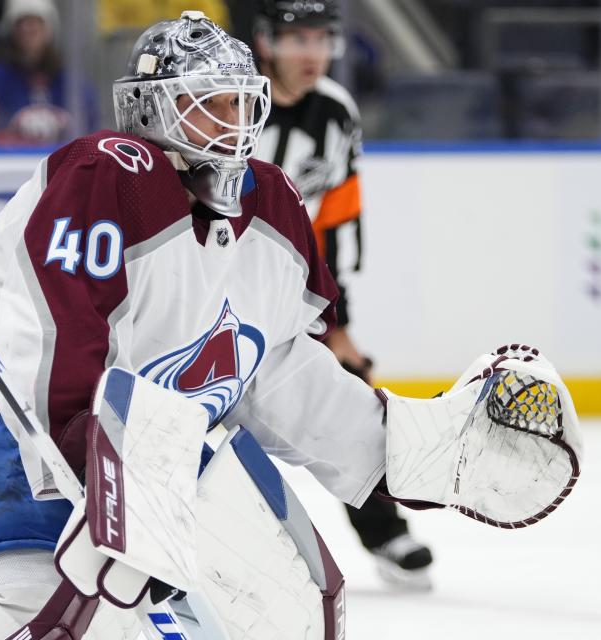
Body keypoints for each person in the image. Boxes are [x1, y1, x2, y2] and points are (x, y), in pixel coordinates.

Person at [0, 11, 583, 640]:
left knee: (276, 613)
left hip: (133, 452)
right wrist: (102, 469)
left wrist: (409, 453)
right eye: (206, 105)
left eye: (240, 103)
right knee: (40, 611)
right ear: (149, 111)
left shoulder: (270, 209)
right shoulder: (107, 173)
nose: (232, 123)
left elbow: (275, 372)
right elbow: (53, 335)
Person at [249, 0, 435, 589]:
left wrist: (338, 323)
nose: (311, 53)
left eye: (321, 39)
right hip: (207, 287)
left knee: (349, 398)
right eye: (296, 38)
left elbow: (334, 221)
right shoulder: (228, 102)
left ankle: (385, 531)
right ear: (265, 42)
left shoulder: (335, 111)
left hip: (289, 295)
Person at [0, 0, 98, 145]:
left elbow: (91, 130)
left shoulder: (70, 81)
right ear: (12, 30)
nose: (28, 29)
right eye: (22, 23)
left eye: (36, 23)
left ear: (49, 29)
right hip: (12, 163)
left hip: (63, 163)